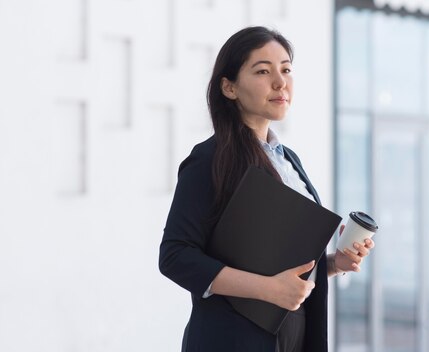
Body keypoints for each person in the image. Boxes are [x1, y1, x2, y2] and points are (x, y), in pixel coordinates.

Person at [158, 26, 375, 352]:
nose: (280, 82)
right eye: (263, 71)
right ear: (229, 87)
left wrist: (333, 264)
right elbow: (175, 256)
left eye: (286, 69)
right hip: (231, 341)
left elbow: (279, 267)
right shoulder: (209, 159)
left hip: (293, 339)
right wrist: (266, 289)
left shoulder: (289, 160)